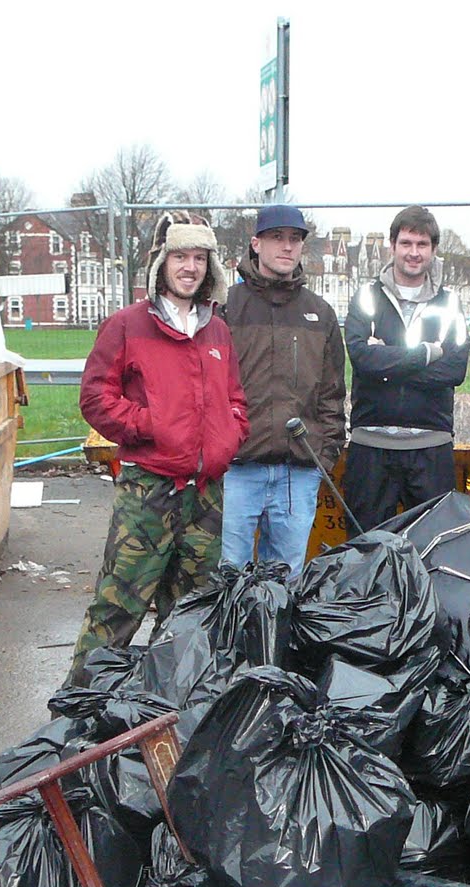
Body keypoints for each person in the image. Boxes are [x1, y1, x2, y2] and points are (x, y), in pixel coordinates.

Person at [68, 212, 248, 678]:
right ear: (161, 263)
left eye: (199, 258)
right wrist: (150, 425)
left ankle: (168, 703)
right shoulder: (127, 326)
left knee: (192, 613)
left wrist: (229, 433)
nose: (190, 267)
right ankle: (78, 705)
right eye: (180, 256)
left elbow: (235, 398)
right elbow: (96, 398)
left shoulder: (216, 330)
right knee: (118, 606)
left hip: (206, 495)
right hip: (148, 491)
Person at [220, 203, 346, 573]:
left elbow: (332, 393)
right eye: (277, 237)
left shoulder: (320, 314)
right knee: (229, 575)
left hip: (298, 472)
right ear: (256, 244)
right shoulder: (227, 307)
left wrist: (323, 456)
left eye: (295, 239)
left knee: (286, 579)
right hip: (237, 469)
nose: (287, 246)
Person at [342, 205, 470, 529]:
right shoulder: (366, 297)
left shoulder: (450, 304)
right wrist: (426, 354)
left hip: (431, 447)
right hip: (371, 446)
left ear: (434, 249)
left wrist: (386, 364)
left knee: (433, 549)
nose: (414, 252)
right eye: (406, 243)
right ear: (392, 246)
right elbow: (362, 359)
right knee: (366, 550)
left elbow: (454, 370)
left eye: (422, 244)